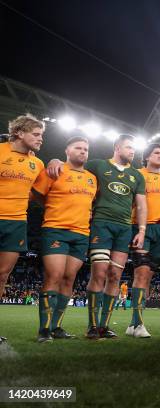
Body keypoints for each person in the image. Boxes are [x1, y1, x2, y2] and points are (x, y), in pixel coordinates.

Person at [47, 133, 147, 339]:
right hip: (101, 226)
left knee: (115, 276)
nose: (132, 151)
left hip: (124, 228)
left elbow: (142, 204)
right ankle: (92, 326)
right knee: (99, 273)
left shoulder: (137, 175)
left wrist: (142, 230)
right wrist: (54, 160)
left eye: (134, 148)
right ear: (117, 147)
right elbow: (73, 166)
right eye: (129, 147)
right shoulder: (98, 165)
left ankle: (104, 326)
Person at [32, 136, 97, 342]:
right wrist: (54, 207)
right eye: (78, 148)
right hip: (56, 229)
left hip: (81, 233)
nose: (83, 151)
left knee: (69, 278)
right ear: (67, 150)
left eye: (86, 149)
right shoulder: (54, 170)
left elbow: (90, 204)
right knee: (55, 275)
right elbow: (36, 195)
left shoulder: (92, 178)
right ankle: (44, 329)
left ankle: (57, 327)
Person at [0, 114, 45, 344]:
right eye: (36, 134)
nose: (40, 139)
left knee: (2, 276)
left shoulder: (37, 163)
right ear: (19, 133)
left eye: (42, 135)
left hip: (17, 222)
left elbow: (40, 193)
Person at [125, 144, 160, 338]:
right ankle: (139, 325)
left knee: (148, 277)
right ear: (147, 157)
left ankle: (133, 323)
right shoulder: (136, 174)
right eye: (156, 153)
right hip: (141, 228)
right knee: (141, 274)